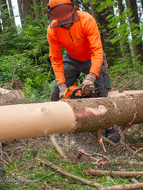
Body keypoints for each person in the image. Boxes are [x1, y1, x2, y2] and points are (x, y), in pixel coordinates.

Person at [47, 0, 120, 143]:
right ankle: (58, 126)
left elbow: (97, 50)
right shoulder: (53, 29)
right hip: (71, 58)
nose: (66, 23)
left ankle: (109, 127)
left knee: (102, 90)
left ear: (73, 9)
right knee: (56, 92)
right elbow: (55, 58)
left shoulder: (86, 20)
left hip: (91, 56)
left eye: (68, 19)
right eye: (62, 20)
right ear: (53, 16)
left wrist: (91, 76)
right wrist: (62, 84)